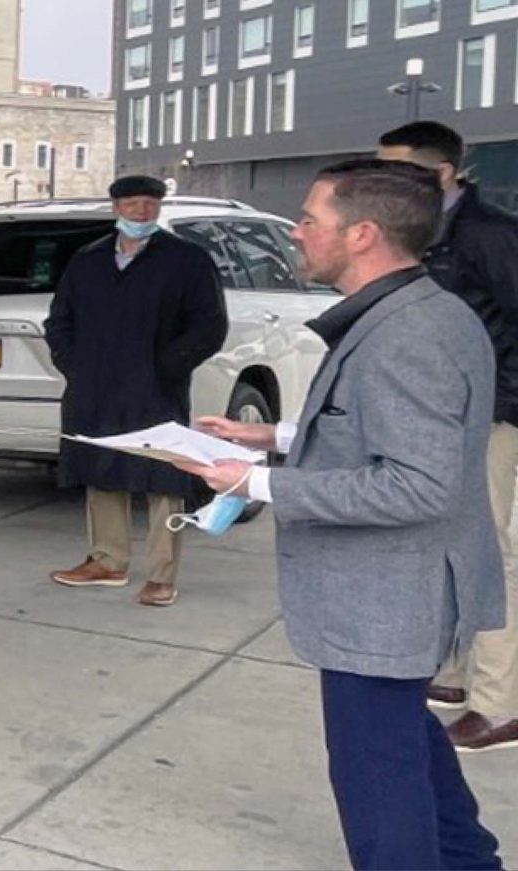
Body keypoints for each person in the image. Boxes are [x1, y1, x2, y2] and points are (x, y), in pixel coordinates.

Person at [189, 159, 503, 871]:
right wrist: (275, 437)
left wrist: (256, 482)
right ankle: (471, 859)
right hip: (397, 594)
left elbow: (418, 482)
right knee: (405, 739)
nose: (296, 233)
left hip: (388, 597)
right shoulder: (420, 308)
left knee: (376, 778)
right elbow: (403, 432)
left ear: (362, 234)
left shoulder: (406, 334)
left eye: (308, 219)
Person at [377, 121, 518, 752]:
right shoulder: (423, 234)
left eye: (396, 172)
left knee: (492, 555)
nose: (383, 184)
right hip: (440, 417)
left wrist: (498, 404)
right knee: (449, 546)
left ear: (441, 174)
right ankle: (455, 675)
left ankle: (499, 704)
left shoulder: (488, 235)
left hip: (491, 417)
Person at [47, 175, 227, 607]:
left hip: (155, 386)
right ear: (115, 209)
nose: (141, 212)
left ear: (159, 209)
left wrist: (167, 366)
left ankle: (162, 576)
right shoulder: (87, 260)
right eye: (131, 205)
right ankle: (107, 561)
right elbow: (59, 320)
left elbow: (209, 326)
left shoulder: (186, 259)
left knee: (164, 478)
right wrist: (75, 365)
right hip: (95, 387)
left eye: (149, 204)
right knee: (101, 471)